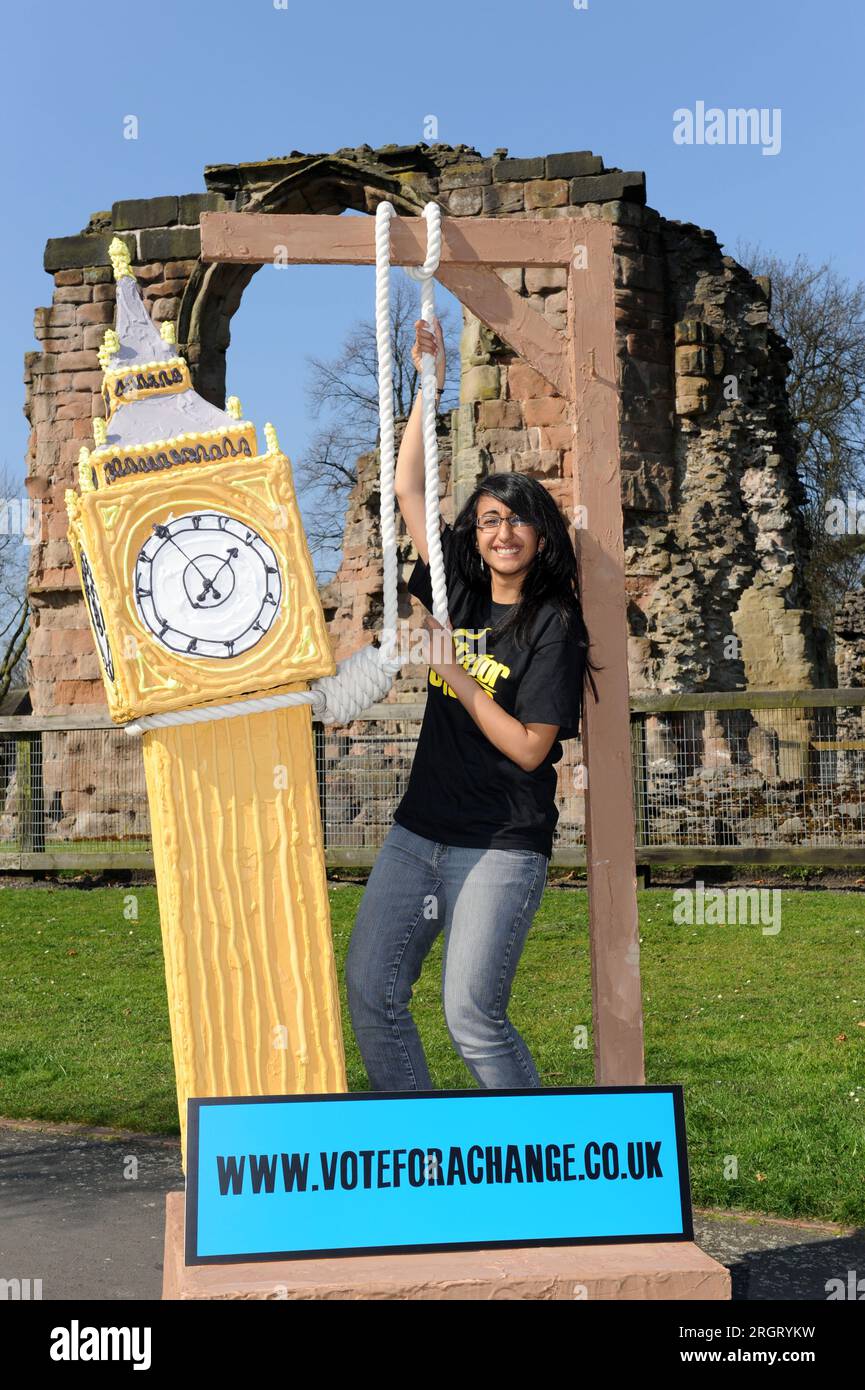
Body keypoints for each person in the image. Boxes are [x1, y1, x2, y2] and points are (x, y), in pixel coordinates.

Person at [345, 316, 599, 1092]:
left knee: (471, 1015)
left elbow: (529, 747)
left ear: (541, 534)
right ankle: (426, 1161)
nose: (502, 530)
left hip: (500, 841)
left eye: (517, 517)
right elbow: (407, 488)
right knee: (371, 992)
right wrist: (431, 384)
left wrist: (455, 676)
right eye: (489, 519)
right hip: (419, 831)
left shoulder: (553, 624)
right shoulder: (453, 592)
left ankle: (534, 1182)